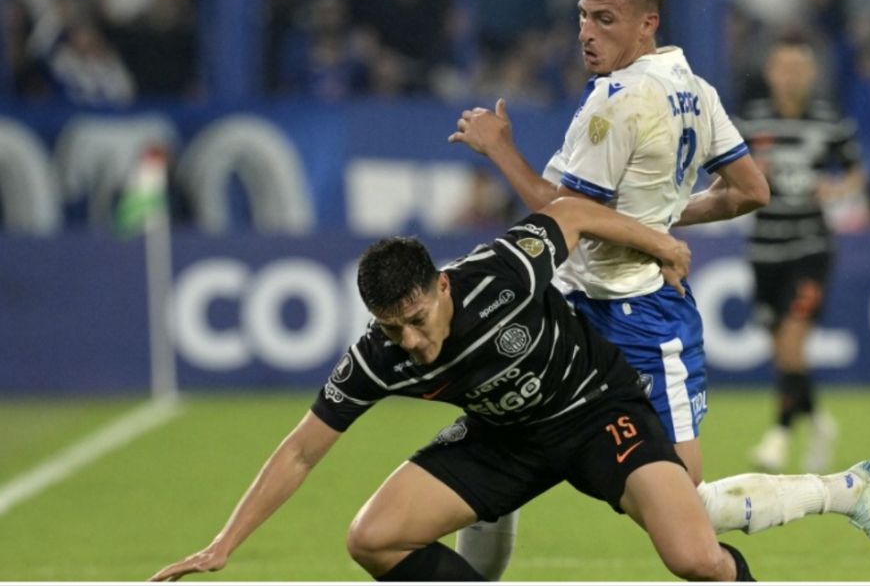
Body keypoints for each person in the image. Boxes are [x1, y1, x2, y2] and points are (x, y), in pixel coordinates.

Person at [449, 0, 870, 580]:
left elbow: (563, 215)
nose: (587, 32)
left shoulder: (616, 100)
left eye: (606, 19)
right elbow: (750, 190)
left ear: (648, 24)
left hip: (636, 321)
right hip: (583, 308)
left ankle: (847, 491)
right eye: (583, 16)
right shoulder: (697, 89)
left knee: (681, 510)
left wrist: (499, 149)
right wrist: (657, 222)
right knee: (492, 445)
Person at [149, 196, 755, 582]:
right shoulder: (378, 356)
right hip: (505, 438)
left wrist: (661, 244)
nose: (410, 340)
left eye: (416, 320)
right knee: (373, 539)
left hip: (594, 410)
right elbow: (302, 450)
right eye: (393, 327)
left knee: (695, 560)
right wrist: (222, 545)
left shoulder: (498, 273)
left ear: (441, 287)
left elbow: (571, 213)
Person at [736, 32, 868, 475]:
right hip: (764, 247)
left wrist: (838, 188)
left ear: (811, 74)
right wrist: (750, 175)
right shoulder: (750, 123)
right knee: (784, 353)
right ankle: (818, 421)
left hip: (811, 246)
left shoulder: (830, 122)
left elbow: (854, 172)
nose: (791, 77)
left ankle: (778, 435)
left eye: (799, 68)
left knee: (793, 340)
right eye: (783, 68)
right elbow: (725, 175)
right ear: (771, 72)